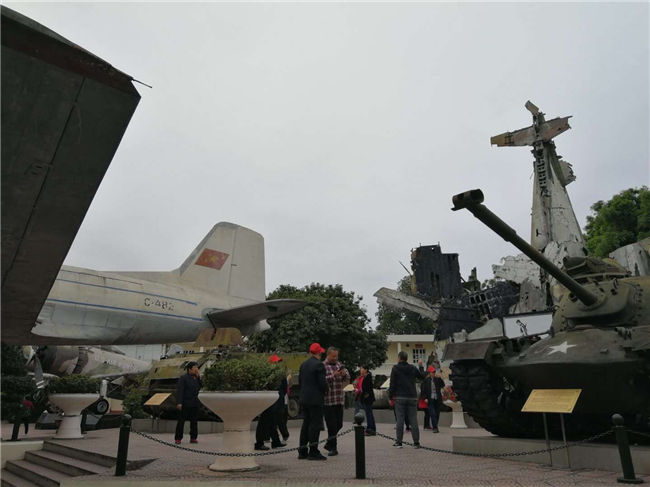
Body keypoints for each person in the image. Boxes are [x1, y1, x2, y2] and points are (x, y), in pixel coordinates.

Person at [388, 351, 425, 448]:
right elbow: (422, 377)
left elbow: (392, 384)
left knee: (400, 420)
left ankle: (399, 442)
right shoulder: (412, 368)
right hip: (412, 397)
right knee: (413, 420)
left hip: (400, 397)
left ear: (399, 358)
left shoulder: (395, 368)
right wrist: (420, 366)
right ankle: (416, 443)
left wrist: (390, 397)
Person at [298, 342, 328, 460]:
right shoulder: (319, 365)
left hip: (304, 398)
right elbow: (322, 383)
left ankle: (302, 451)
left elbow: (300, 381)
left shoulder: (303, 364)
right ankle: (313, 451)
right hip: (315, 399)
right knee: (315, 425)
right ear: (319, 352)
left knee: (306, 423)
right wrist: (325, 390)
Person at [254, 355, 287, 450]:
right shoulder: (275, 374)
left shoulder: (274, 374)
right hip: (271, 401)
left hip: (273, 400)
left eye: (278, 362)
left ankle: (275, 442)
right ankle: (259, 443)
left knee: (272, 422)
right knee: (264, 422)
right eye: (276, 362)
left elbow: (284, 388)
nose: (278, 364)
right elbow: (284, 388)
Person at [322, 347, 350, 456]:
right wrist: (334, 375)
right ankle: (333, 448)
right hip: (328, 400)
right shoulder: (323, 366)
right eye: (333, 356)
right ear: (328, 355)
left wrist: (343, 374)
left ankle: (329, 443)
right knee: (331, 425)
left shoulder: (339, 364)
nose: (335, 358)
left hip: (339, 399)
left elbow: (348, 377)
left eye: (336, 356)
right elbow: (322, 380)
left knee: (339, 424)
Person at [175, 361, 202, 444]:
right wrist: (179, 402)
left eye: (197, 367)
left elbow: (202, 387)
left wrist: (200, 378)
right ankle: (178, 438)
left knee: (194, 422)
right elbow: (180, 391)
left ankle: (193, 437)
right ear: (190, 369)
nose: (196, 369)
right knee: (181, 421)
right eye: (195, 367)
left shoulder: (197, 378)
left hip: (195, 403)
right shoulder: (183, 378)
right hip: (185, 403)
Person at [420, 366, 445, 433]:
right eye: (432, 372)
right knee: (433, 413)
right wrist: (425, 398)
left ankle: (435, 425)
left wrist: (440, 378)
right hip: (430, 399)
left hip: (437, 398)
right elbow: (423, 390)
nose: (434, 373)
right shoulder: (426, 380)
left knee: (437, 413)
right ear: (429, 373)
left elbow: (442, 385)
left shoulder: (437, 379)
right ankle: (435, 428)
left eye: (434, 372)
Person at [357, 365, 376, 436]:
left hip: (367, 398)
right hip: (366, 398)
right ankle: (372, 429)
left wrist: (361, 391)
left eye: (362, 369)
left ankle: (370, 429)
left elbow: (366, 388)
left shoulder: (368, 377)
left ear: (366, 370)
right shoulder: (364, 377)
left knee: (369, 414)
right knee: (369, 413)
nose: (360, 370)